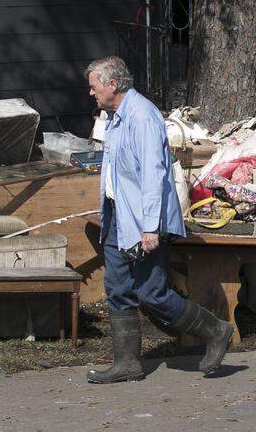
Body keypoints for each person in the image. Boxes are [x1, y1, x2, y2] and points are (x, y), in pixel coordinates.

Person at [84, 56, 235, 383]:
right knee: (117, 288)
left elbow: (154, 176)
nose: (91, 93)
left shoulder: (143, 116)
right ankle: (127, 363)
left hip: (142, 220)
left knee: (152, 293)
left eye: (94, 86)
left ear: (112, 84)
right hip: (118, 214)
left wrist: (150, 227)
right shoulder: (114, 116)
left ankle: (216, 331)